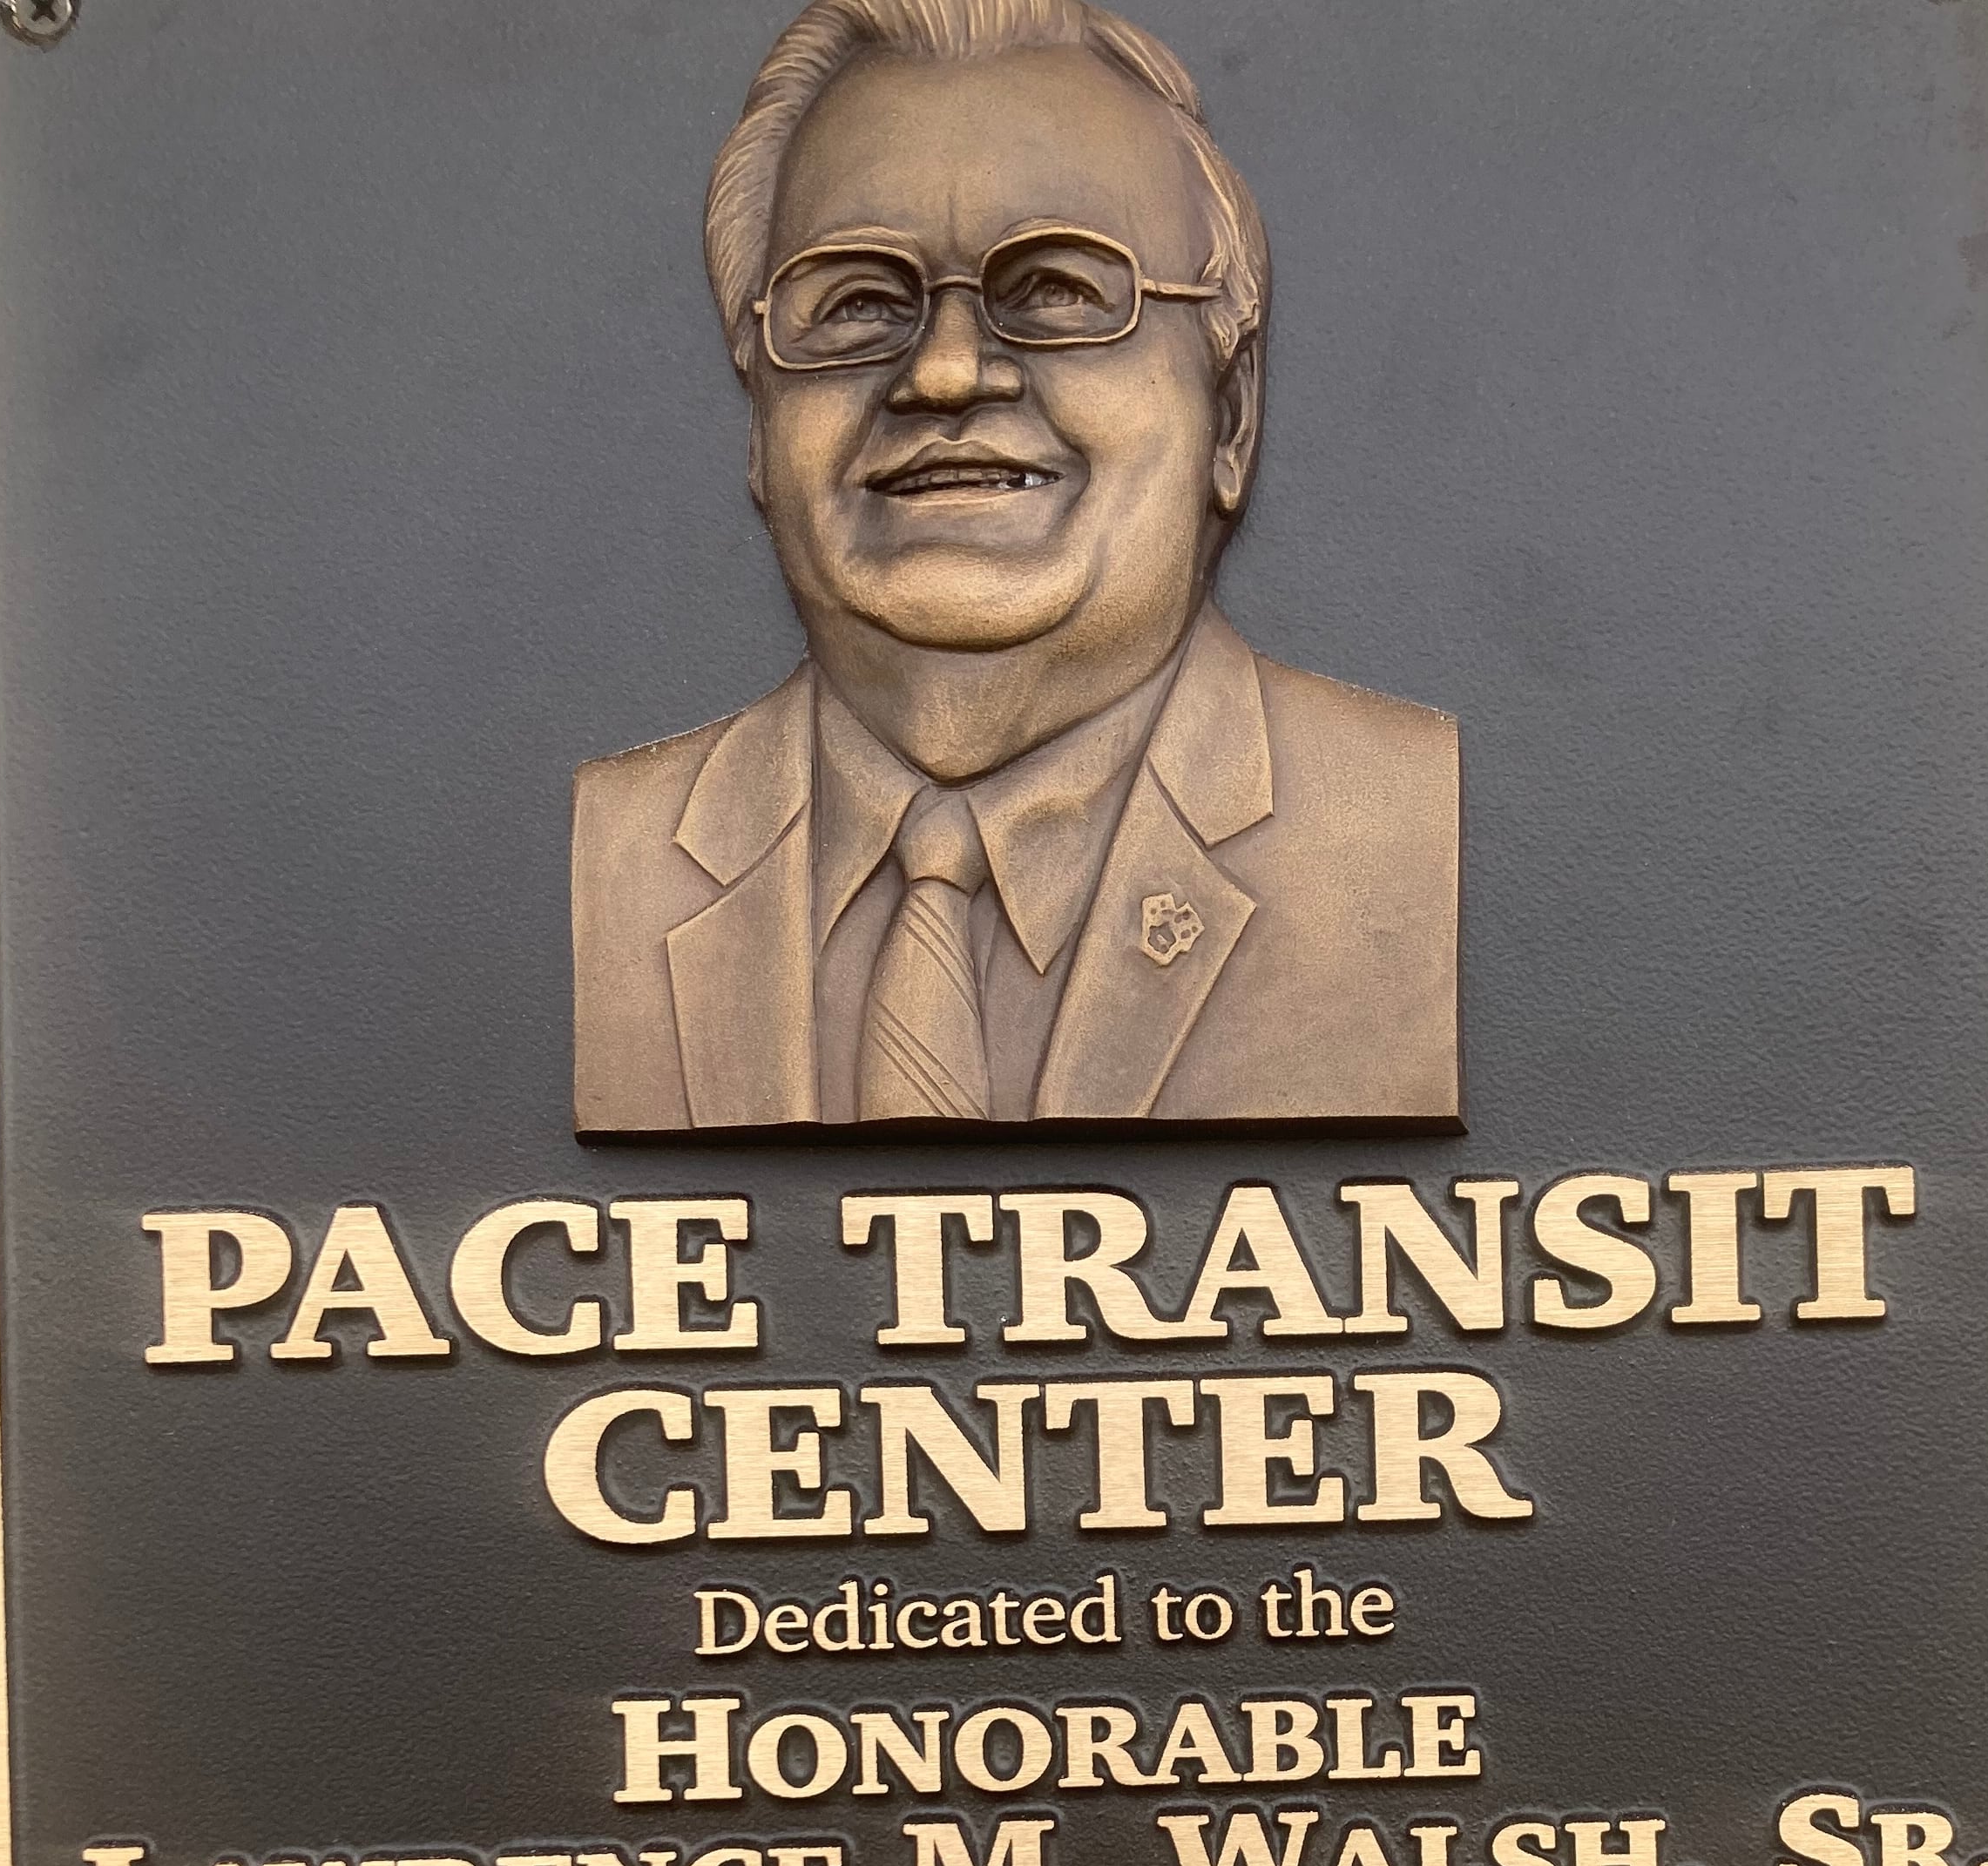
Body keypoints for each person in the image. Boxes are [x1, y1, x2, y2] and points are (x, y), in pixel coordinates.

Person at [571, 0, 1460, 1130]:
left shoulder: (1395, 835)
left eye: (1054, 290)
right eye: (855, 303)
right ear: (758, 424)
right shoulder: (622, 860)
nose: (944, 372)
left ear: (1229, 415)